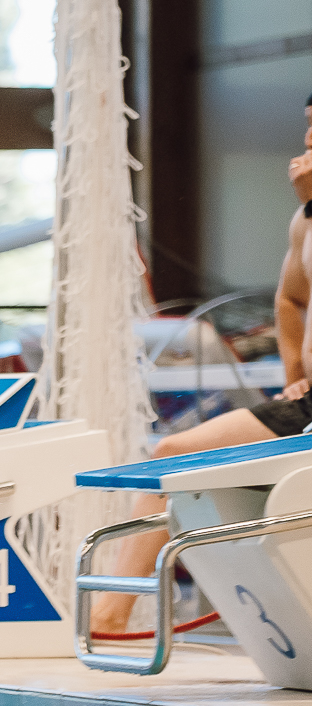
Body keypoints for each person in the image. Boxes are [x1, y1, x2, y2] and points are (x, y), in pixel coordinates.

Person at [90, 95, 312, 633]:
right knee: (170, 453)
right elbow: (290, 299)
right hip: (307, 404)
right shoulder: (304, 219)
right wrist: (292, 375)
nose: (308, 141)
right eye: (307, 126)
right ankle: (113, 612)